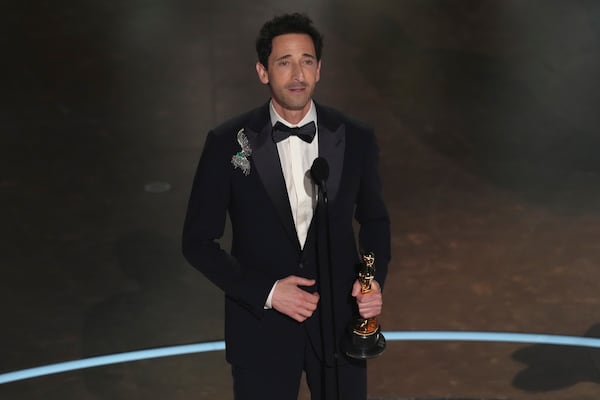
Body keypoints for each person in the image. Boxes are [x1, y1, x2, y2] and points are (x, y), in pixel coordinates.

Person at [182, 13, 391, 400]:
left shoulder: (354, 137)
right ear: (263, 72)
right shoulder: (227, 142)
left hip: (339, 329)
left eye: (307, 61)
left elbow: (375, 219)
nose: (298, 73)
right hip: (262, 331)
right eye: (284, 62)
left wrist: (372, 281)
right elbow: (197, 241)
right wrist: (268, 291)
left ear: (320, 69)